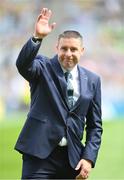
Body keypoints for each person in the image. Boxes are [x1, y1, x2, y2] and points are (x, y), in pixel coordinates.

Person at [15, 8, 103, 180]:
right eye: (64, 49)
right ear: (57, 48)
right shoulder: (42, 67)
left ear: (82, 51)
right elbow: (23, 65)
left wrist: (88, 158)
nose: (68, 54)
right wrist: (37, 37)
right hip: (39, 156)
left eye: (73, 49)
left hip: (72, 159)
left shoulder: (93, 80)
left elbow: (95, 126)